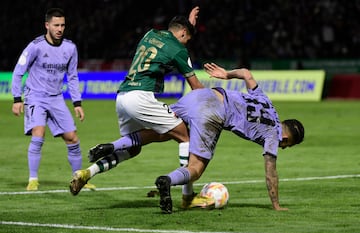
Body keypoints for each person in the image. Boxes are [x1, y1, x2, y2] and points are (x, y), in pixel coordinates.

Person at [69, 6, 203, 195]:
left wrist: (189, 26)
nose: (186, 45)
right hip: (141, 96)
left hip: (123, 96)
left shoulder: (150, 34)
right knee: (184, 136)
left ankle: (86, 172)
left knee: (133, 148)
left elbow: (169, 46)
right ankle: (187, 196)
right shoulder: (178, 49)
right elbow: (196, 86)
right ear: (182, 33)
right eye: (187, 39)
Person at [154, 63, 305, 213]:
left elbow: (246, 73)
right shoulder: (272, 135)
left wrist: (227, 75)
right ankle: (168, 180)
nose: (283, 147)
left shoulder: (266, 101)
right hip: (213, 111)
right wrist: (276, 205)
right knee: (196, 168)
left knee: (157, 130)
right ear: (285, 138)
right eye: (287, 145)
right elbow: (270, 173)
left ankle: (130, 140)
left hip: (201, 95)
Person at [11, 8, 94, 191]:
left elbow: (72, 77)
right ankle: (33, 179)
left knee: (72, 138)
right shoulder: (35, 46)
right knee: (38, 134)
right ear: (47, 25)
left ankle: (79, 179)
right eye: (56, 25)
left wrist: (77, 103)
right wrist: (17, 98)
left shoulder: (70, 48)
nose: (60, 29)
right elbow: (19, 71)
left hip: (56, 98)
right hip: (35, 97)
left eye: (62, 25)